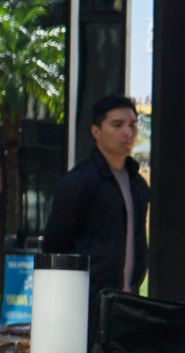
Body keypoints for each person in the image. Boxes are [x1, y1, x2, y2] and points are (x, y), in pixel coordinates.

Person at [43, 92, 148, 333]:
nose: (128, 132)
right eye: (117, 125)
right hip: (84, 306)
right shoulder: (79, 182)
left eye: (132, 125)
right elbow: (55, 246)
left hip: (127, 305)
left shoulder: (139, 186)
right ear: (96, 131)